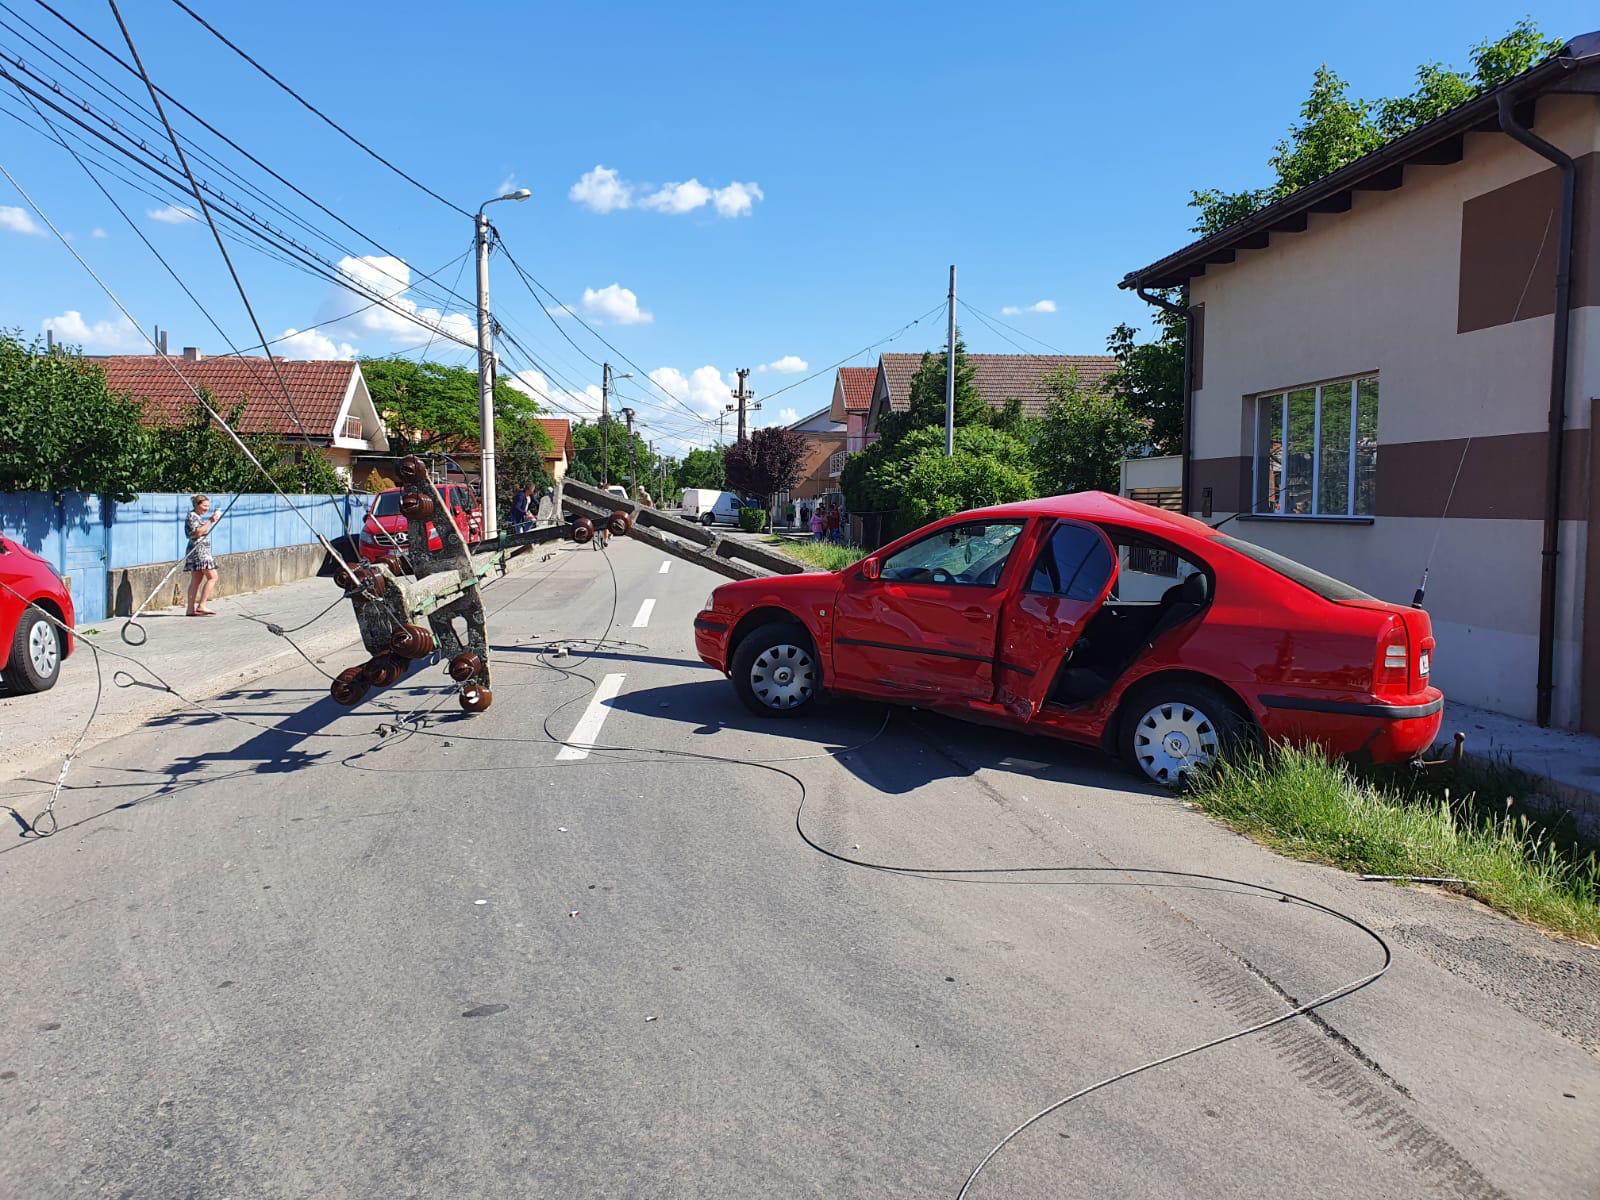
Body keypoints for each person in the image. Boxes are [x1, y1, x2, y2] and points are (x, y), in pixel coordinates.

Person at [185, 494, 221, 616]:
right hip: (199, 551)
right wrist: (210, 520)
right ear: (197, 505)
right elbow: (198, 532)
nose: (206, 508)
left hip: (198, 550)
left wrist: (211, 521)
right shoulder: (192, 516)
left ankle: (190, 609)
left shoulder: (196, 516)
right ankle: (202, 605)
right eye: (204, 506)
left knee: (196, 580)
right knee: (213, 577)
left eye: (208, 506)